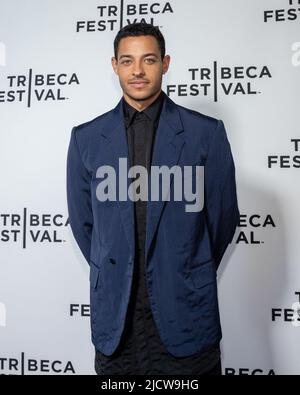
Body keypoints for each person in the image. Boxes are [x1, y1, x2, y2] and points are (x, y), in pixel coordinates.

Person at [66, 22, 239, 375]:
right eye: (127, 61)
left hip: (187, 318)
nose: (138, 71)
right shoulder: (86, 139)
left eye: (148, 59)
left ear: (165, 63)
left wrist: (188, 266)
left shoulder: (206, 134)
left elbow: (222, 221)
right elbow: (86, 227)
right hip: (117, 324)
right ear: (114, 66)